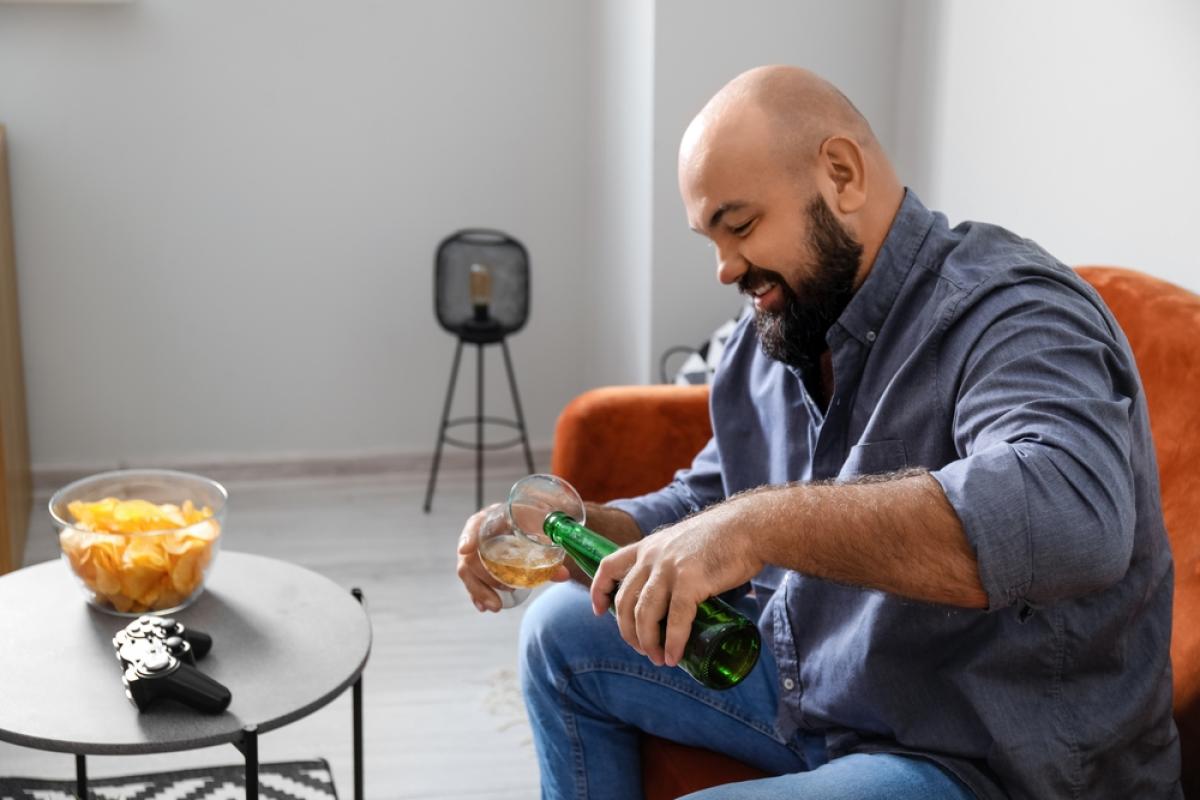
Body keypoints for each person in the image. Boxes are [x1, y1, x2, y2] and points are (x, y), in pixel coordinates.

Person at [455, 65, 1181, 799]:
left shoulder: (1011, 309)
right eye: (711, 238)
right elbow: (706, 503)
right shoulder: (776, 333)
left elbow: (1071, 516)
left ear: (841, 175)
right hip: (826, 686)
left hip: (978, 749)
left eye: (741, 226)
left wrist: (756, 527)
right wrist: (574, 531)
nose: (725, 268)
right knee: (557, 629)